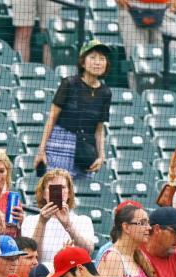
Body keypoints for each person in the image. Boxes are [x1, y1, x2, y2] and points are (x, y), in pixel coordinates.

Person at [35, 40, 111, 179]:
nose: (98, 62)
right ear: (83, 62)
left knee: (80, 197)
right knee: (56, 193)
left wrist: (101, 156)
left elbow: (99, 129)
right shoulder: (69, 83)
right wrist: (41, 150)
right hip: (60, 144)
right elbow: (52, 118)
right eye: (93, 57)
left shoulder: (105, 93)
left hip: (86, 150)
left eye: (102, 58)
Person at [21, 169, 96, 263]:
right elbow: (31, 258)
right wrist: (42, 222)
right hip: (42, 275)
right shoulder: (30, 221)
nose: (58, 192)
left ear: (69, 193)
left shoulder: (83, 220)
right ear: (44, 193)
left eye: (62, 188)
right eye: (53, 188)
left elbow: (88, 251)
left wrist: (68, 225)